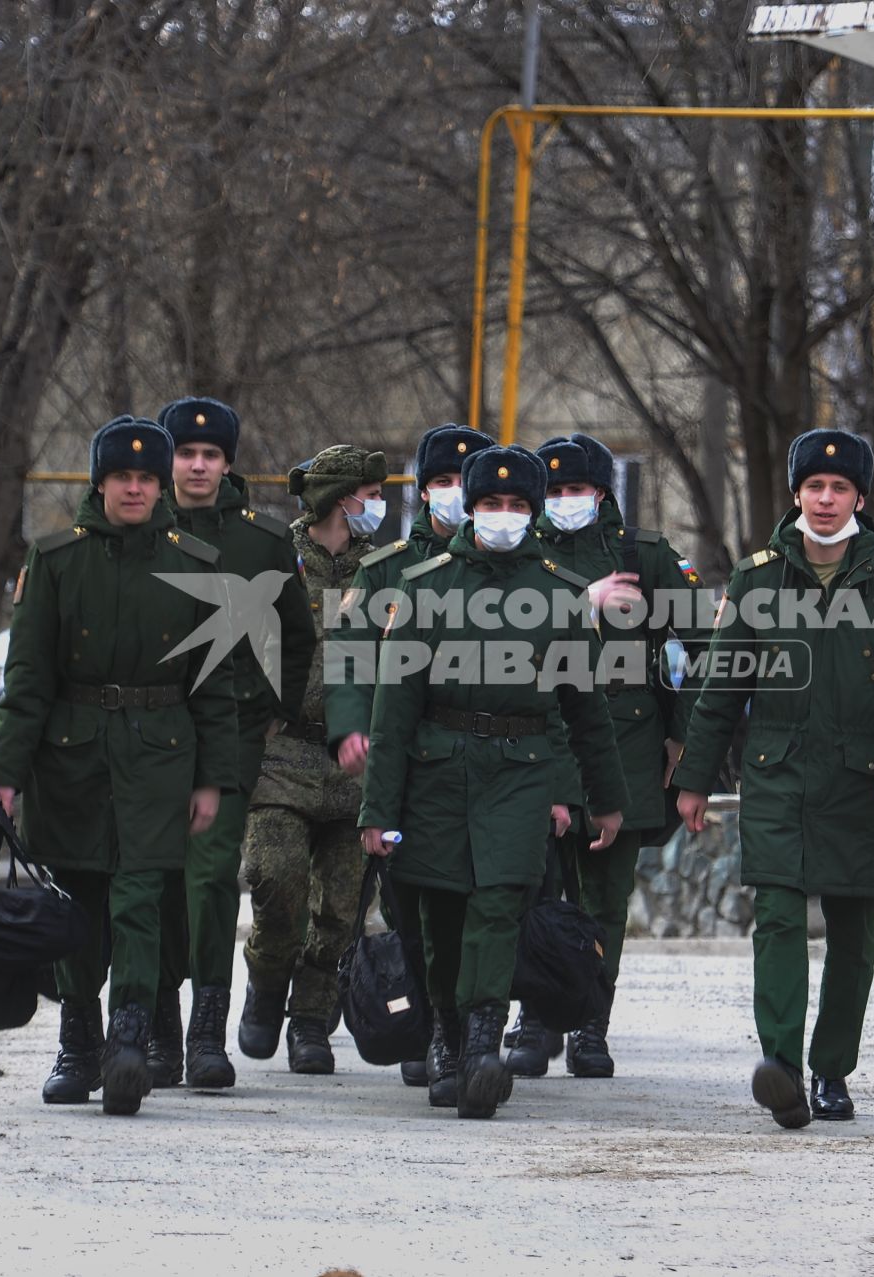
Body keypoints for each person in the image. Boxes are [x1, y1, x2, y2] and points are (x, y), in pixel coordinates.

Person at [673, 428, 874, 1129]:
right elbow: (719, 689)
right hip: (779, 773)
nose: (826, 500)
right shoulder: (758, 577)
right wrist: (694, 779)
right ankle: (782, 1068)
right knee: (777, 915)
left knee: (855, 929)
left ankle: (831, 1070)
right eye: (815, 487)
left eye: (840, 488)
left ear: (860, 495)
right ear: (797, 492)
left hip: (864, 779)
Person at [358, 443, 629, 1119]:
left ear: (533, 513)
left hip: (519, 770)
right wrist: (376, 808)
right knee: (441, 915)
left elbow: (587, 710)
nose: (501, 515)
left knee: (499, 904)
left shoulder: (559, 595)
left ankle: (482, 1042)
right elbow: (393, 713)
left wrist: (606, 799)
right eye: (489, 503)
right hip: (437, 773)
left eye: (515, 505)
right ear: (470, 509)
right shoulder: (424, 588)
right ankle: (447, 1037)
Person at [0, 415, 238, 1117]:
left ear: (160, 486)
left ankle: (129, 1040)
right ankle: (77, 1042)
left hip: (160, 752)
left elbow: (214, 686)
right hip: (73, 756)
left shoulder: (196, 564)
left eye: (146, 477)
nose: (134, 487)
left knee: (141, 900)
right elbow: (26, 679)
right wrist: (4, 772)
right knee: (77, 902)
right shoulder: (58, 560)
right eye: (122, 476)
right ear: (100, 481)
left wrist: (212, 777)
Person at [506, 432, 706, 1079]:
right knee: (534, 887)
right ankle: (535, 1016)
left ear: (602, 493)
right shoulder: (521, 556)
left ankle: (592, 1020)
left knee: (606, 898)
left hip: (624, 743)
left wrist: (681, 729)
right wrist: (578, 604)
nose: (566, 501)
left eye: (578, 490)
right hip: (537, 741)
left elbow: (710, 644)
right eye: (555, 490)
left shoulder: (643, 555)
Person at [149, 395, 317, 1089]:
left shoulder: (263, 542)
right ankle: (155, 1024)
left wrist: (269, 710)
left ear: (226, 462)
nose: (195, 465)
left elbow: (297, 641)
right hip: (147, 735)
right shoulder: (137, 531)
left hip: (231, 736)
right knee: (152, 879)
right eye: (185, 454)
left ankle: (204, 1032)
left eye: (209, 455)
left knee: (213, 878)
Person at [324, 422, 493, 1088]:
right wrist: (350, 729)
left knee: (488, 904)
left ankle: (473, 1030)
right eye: (442, 482)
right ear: (423, 492)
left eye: (465, 481)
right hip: (411, 768)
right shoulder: (386, 568)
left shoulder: (517, 575)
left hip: (492, 767)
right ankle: (432, 1024)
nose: (454, 494)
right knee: (412, 902)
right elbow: (348, 657)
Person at [237, 445, 388, 1074]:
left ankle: (309, 1022)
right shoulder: (277, 556)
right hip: (284, 753)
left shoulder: (384, 568)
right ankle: (268, 979)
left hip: (358, 760)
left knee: (343, 907)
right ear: (338, 498)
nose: (376, 504)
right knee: (276, 880)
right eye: (368, 493)